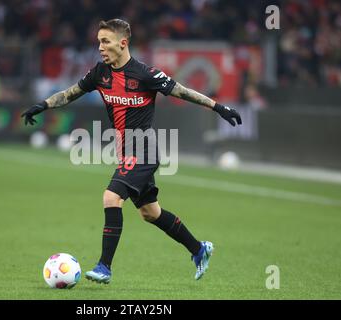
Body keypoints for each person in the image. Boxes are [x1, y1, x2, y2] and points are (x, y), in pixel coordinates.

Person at [21, 19, 242, 284]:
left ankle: (104, 266)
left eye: (105, 41)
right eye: (98, 41)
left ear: (122, 43)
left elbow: (182, 92)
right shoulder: (100, 73)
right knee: (150, 213)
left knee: (111, 197)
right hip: (125, 151)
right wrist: (42, 105)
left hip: (144, 149)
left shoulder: (145, 74)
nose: (100, 47)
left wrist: (219, 107)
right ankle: (198, 249)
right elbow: (70, 93)